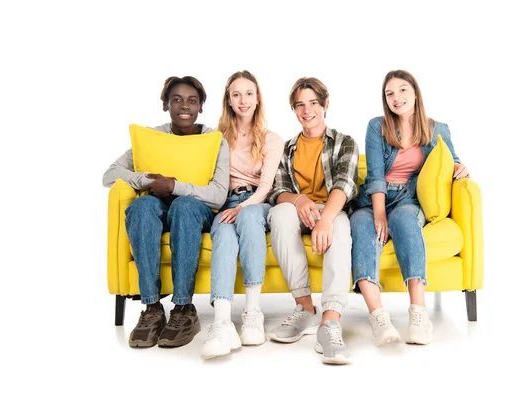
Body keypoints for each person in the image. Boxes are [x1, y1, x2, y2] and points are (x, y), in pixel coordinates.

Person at [102, 76, 230, 349]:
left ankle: (184, 310)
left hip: (197, 211)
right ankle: (151, 309)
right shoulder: (152, 137)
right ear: (165, 105)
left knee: (184, 206)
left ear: (201, 107)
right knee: (141, 206)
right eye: (177, 100)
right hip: (158, 206)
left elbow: (219, 195)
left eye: (192, 101)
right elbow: (110, 174)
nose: (185, 106)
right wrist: (148, 181)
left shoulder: (214, 140)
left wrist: (175, 186)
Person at [350, 69, 469, 346]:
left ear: (415, 93)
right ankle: (378, 317)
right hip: (373, 200)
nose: (396, 97)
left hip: (407, 199)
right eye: (389, 93)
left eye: (402, 90)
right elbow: (375, 174)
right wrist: (379, 213)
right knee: (362, 227)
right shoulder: (376, 126)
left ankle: (418, 314)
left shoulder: (438, 129)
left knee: (405, 222)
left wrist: (461, 167)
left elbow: (450, 160)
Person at [266, 77, 359, 365]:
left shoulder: (344, 142)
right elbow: (278, 190)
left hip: (332, 208)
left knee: (341, 228)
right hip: (298, 210)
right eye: (300, 105)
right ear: (294, 110)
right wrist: (299, 200)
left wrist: (325, 219)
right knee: (279, 214)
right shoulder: (286, 148)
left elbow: (345, 185)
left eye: (313, 103)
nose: (307, 111)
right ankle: (305, 308)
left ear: (325, 104)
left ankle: (330, 320)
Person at [201, 70, 283, 359]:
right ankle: (222, 322)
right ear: (229, 100)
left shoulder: (271, 139)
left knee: (247, 219)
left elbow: (266, 187)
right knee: (222, 233)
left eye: (249, 93)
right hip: (225, 201)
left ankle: (252, 311)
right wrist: (228, 207)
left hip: (256, 202)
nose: (243, 100)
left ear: (258, 98)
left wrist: (242, 207)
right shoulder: (215, 137)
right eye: (236, 94)